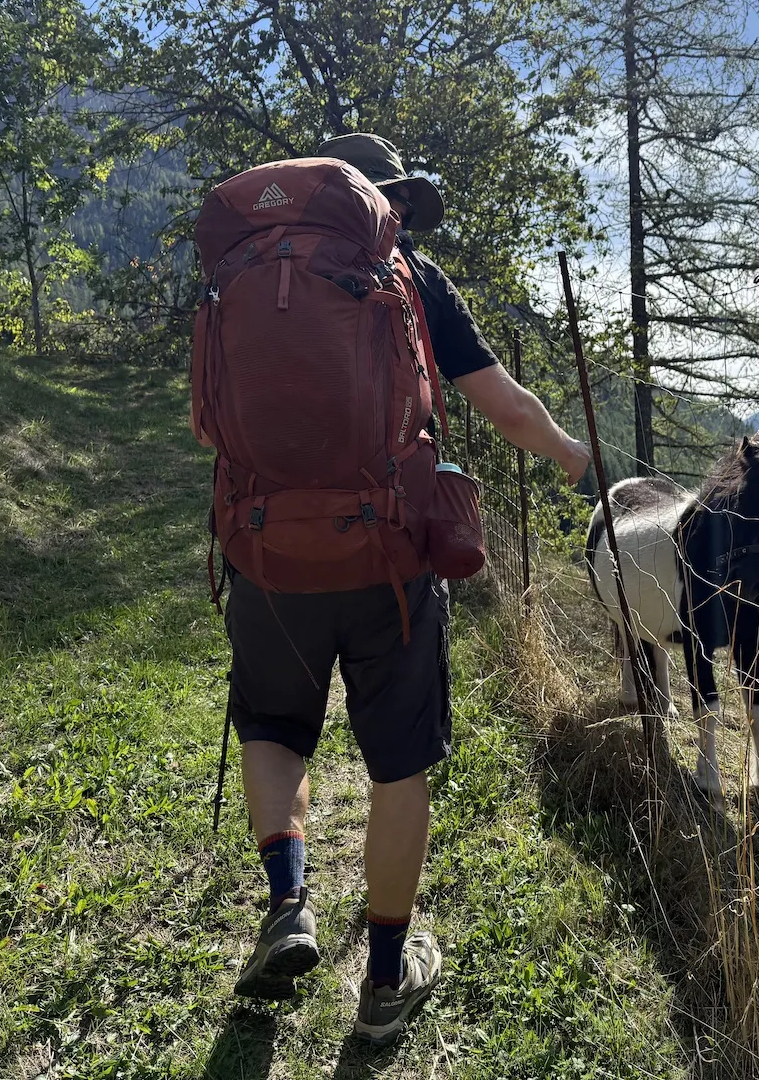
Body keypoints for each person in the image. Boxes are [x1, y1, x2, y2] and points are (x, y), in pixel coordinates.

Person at [228, 132, 592, 1046]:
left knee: (274, 728)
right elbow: (504, 406)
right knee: (399, 763)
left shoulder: (245, 271)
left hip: (266, 550)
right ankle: (385, 979)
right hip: (388, 560)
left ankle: (289, 903)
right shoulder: (413, 276)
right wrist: (572, 457)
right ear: (388, 202)